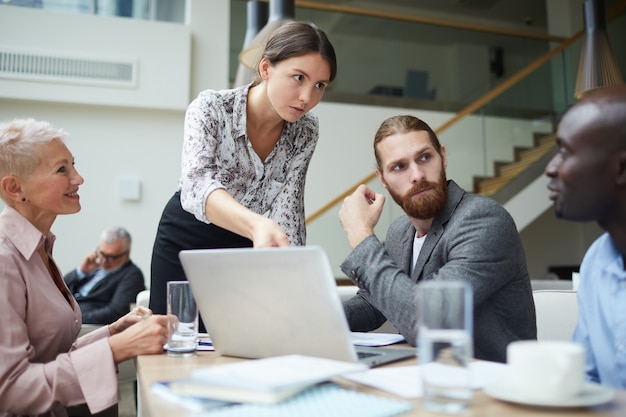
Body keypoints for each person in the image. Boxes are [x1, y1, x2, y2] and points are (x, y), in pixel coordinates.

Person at [149, 21, 337, 317]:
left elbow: (289, 208)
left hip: (250, 243)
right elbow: (196, 185)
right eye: (298, 77)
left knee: (240, 342)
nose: (307, 97)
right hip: (189, 234)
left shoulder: (306, 131)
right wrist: (257, 224)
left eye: (319, 85)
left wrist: (300, 274)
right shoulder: (211, 108)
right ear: (266, 69)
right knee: (172, 338)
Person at [0, 118, 168, 417]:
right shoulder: (4, 260)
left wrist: (112, 332)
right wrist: (115, 349)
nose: (78, 178)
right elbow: (11, 391)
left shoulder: (39, 249)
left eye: (73, 165)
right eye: (62, 169)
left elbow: (51, 355)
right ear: (15, 188)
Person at [338, 115, 536, 363]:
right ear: (382, 180)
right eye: (399, 167)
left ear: (442, 157)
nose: (417, 175)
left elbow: (428, 323)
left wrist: (360, 234)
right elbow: (374, 301)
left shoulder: (483, 220)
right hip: (429, 375)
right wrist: (316, 319)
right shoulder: (400, 231)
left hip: (493, 385)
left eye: (424, 158)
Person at [545, 85, 626, 389]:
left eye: (565, 152)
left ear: (621, 167)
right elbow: (586, 380)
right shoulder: (597, 259)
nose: (550, 169)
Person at [64, 227, 146, 324]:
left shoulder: (131, 274)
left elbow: (115, 312)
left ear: (126, 254)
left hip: (80, 322)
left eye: (111, 257)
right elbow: (56, 288)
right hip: (61, 310)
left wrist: (73, 319)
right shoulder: (92, 266)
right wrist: (81, 271)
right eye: (102, 254)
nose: (104, 261)